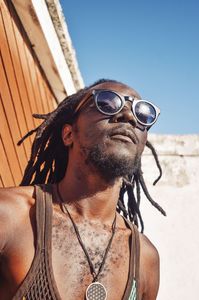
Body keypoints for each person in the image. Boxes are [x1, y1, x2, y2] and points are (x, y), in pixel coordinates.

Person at [0, 79, 166, 300]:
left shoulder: (145, 259)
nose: (128, 116)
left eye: (143, 113)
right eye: (107, 103)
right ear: (68, 134)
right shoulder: (10, 216)